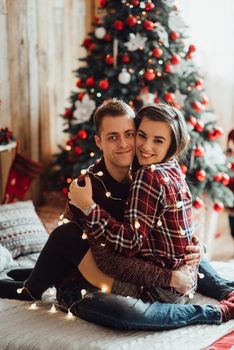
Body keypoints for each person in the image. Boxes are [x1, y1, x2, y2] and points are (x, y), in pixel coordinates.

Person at [0, 100, 233, 330]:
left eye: (130, 134)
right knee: (124, 311)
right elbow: (111, 260)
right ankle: (208, 314)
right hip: (92, 277)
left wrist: (193, 247)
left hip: (137, 269)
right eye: (113, 137)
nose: (124, 144)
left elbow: (169, 227)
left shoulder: (147, 170)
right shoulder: (88, 189)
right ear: (99, 142)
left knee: (193, 255)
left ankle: (228, 291)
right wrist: (172, 278)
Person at [68, 104, 198, 304]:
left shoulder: (148, 175)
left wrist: (89, 208)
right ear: (99, 141)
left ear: (172, 144)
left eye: (158, 140)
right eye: (142, 135)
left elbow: (129, 243)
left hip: (161, 289)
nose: (146, 147)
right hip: (185, 282)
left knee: (83, 295)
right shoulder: (173, 168)